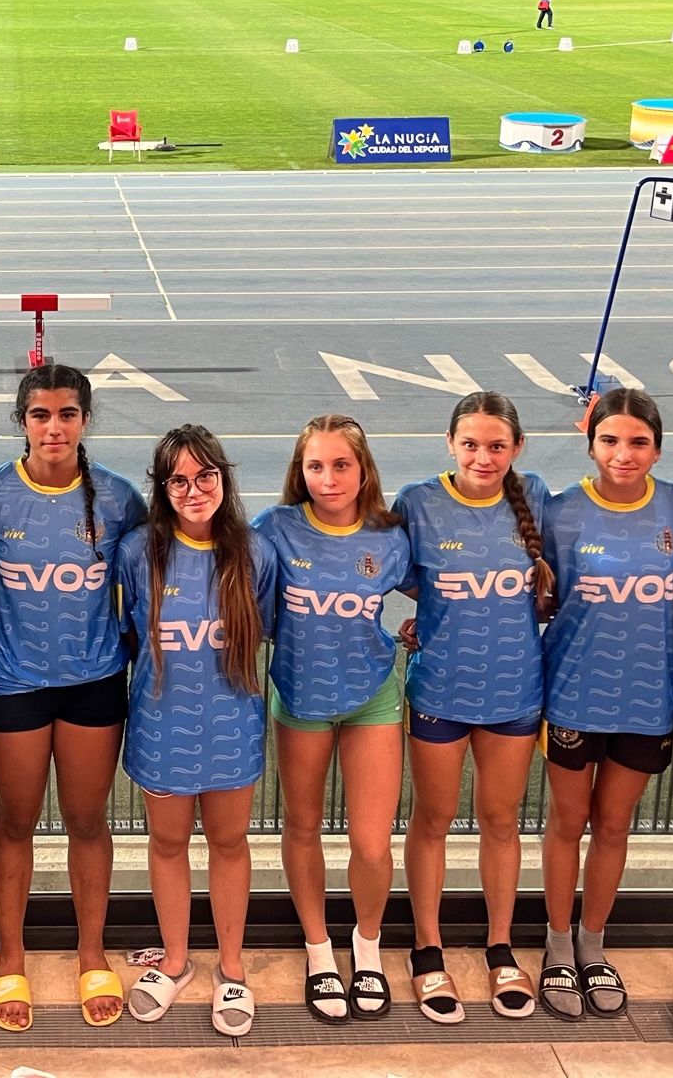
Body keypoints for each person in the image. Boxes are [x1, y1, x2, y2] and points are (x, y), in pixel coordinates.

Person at [0, 363, 147, 1032]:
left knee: (88, 822)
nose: (55, 426)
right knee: (15, 821)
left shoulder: (120, 500)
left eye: (68, 414)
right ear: (22, 422)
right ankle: (11, 954)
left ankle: (90, 950)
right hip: (13, 683)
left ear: (85, 420)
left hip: (94, 683)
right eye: (41, 415)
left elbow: (148, 587)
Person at [537, 389, 673, 1022]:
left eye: (638, 442)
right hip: (573, 695)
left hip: (646, 698)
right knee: (566, 823)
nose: (623, 454)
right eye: (610, 440)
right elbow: (541, 598)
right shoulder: (561, 512)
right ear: (590, 443)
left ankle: (593, 944)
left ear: (657, 447)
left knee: (612, 827)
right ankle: (555, 947)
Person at [396, 391, 552, 1023]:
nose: (483, 457)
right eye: (470, 444)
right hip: (440, 691)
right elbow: (398, 575)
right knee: (431, 821)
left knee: (500, 820)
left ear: (517, 449)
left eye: (496, 446)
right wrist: (424, 623)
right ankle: (427, 949)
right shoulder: (418, 502)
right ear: (449, 443)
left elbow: (553, 580)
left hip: (515, 691)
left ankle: (499, 946)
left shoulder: (535, 495)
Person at [117, 425, 275, 1038]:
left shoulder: (255, 554)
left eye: (205, 476)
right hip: (161, 728)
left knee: (230, 844)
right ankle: (177, 961)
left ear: (224, 479)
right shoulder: (137, 553)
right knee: (167, 845)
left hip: (231, 728)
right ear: (162, 488)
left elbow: (270, 628)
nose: (193, 490)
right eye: (178, 480)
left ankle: (231, 968)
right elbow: (129, 636)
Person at [254, 415, 412, 1023]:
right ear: (300, 472)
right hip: (299, 699)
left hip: (372, 695)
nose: (328, 478)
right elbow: (251, 603)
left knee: (372, 842)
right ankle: (319, 950)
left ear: (363, 468)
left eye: (340, 464)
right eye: (314, 466)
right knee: (303, 827)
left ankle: (366, 948)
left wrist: (423, 625)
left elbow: (438, 590)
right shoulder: (274, 530)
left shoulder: (390, 537)